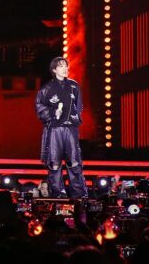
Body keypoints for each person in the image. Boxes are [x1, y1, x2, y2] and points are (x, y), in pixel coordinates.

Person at [35, 56, 88, 198]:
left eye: (66, 66)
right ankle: (58, 193)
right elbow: (39, 107)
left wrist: (72, 117)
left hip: (70, 128)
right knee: (54, 162)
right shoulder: (46, 89)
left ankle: (78, 193)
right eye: (61, 66)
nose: (65, 69)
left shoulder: (74, 86)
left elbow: (79, 106)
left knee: (74, 161)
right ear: (54, 69)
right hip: (54, 129)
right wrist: (53, 113)